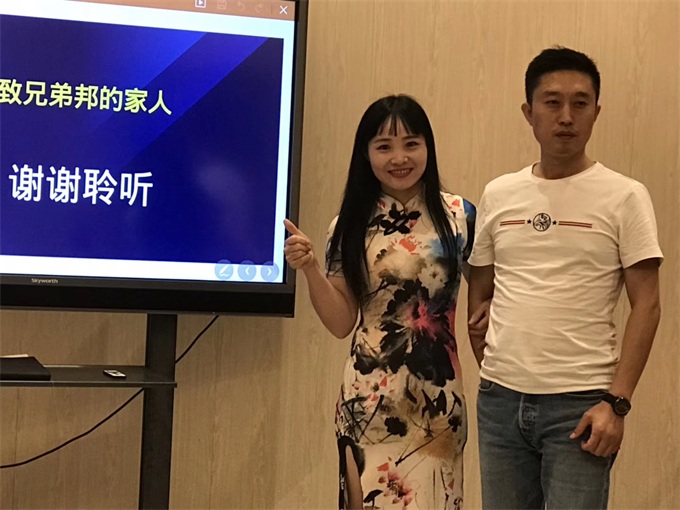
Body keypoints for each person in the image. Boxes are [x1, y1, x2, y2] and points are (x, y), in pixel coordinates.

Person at [467, 46, 663, 509]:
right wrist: (493, 363)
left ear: (596, 111)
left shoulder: (625, 196)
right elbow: (479, 292)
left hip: (582, 406)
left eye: (580, 103)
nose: (566, 117)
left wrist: (617, 403)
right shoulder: (499, 193)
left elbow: (648, 305)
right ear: (529, 112)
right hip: (500, 403)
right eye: (552, 102)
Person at [285, 94, 486, 509]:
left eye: (411, 143)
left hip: (437, 402)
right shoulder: (348, 225)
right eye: (384, 146)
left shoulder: (460, 216)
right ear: (366, 153)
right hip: (368, 401)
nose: (399, 158)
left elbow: (490, 300)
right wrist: (310, 269)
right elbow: (341, 322)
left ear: (428, 147)